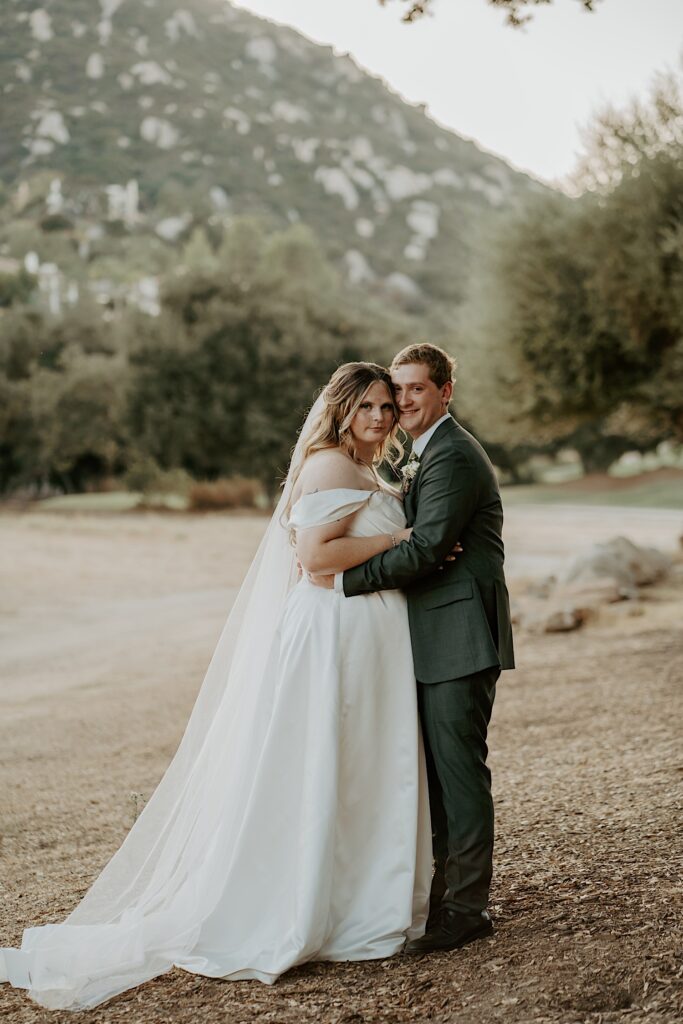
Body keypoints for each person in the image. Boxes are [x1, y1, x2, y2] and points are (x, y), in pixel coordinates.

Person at [0, 362, 432, 1011]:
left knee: (358, 766)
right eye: (365, 406)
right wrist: (398, 536)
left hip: (360, 634)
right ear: (341, 410)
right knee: (323, 763)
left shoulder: (365, 468)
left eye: (384, 407)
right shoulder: (331, 466)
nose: (377, 416)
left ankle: (360, 895)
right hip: (333, 638)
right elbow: (314, 557)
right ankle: (312, 903)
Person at [316, 343, 515, 954]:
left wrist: (344, 580)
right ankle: (443, 898)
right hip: (432, 635)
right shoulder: (420, 454)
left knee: (458, 774)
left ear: (445, 392)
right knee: (436, 776)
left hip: (459, 634)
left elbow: (427, 549)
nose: (402, 402)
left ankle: (466, 910)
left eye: (415, 390)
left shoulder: (451, 454)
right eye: (394, 391)